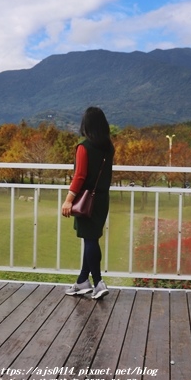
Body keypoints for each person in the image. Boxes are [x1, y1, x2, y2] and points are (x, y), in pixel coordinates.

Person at [61, 106, 115, 299]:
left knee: (90, 240)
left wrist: (68, 200)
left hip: (85, 201)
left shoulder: (84, 147)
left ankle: (99, 282)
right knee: (91, 239)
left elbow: (80, 176)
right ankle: (82, 281)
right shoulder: (108, 146)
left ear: (86, 125)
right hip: (101, 200)